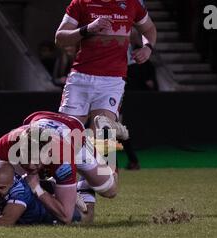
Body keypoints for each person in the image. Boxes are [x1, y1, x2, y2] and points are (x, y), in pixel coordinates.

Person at [0, 111, 118, 225]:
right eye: (27, 161)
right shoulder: (9, 142)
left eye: (36, 163)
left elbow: (66, 217)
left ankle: (109, 139)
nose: (31, 167)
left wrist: (37, 188)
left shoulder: (63, 156)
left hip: (76, 140)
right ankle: (75, 187)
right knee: (1, 173)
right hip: (40, 122)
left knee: (109, 190)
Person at [54, 0, 157, 138]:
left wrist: (147, 48)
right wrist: (88, 28)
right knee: (67, 135)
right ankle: (72, 158)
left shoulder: (132, 3)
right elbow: (60, 38)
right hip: (80, 78)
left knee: (101, 136)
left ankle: (93, 158)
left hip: (112, 81)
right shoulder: (80, 3)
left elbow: (149, 29)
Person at [0, 161, 92, 228]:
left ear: (11, 184)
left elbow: (7, 221)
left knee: (86, 216)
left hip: (53, 214)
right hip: (34, 197)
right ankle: (53, 186)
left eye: (1, 187)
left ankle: (84, 184)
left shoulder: (19, 191)